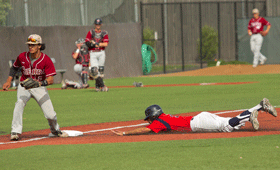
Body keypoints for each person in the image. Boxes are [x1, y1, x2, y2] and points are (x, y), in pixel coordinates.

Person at [2, 34, 68, 140]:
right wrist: (8, 81)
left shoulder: (46, 60)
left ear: (39, 46)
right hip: (24, 85)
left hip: (39, 87)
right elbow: (14, 68)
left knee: (50, 115)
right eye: (29, 45)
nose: (30, 47)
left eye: (33, 45)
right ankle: (15, 131)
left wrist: (39, 83)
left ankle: (55, 130)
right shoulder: (22, 56)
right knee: (19, 103)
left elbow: (51, 80)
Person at [112, 98, 277, 136]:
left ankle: (249, 115)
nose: (149, 121)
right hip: (199, 118)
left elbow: (144, 129)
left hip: (198, 123)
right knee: (228, 123)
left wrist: (126, 133)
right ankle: (258, 107)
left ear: (154, 115)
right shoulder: (165, 117)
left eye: (149, 118)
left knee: (226, 127)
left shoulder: (160, 122)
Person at [85, 18, 109, 92]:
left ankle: (97, 86)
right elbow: (87, 42)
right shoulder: (91, 32)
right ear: (94, 24)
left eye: (99, 24)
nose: (97, 25)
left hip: (101, 52)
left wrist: (97, 44)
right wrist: (92, 44)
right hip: (93, 53)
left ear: (101, 25)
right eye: (96, 24)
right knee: (94, 70)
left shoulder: (104, 33)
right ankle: (103, 86)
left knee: (101, 71)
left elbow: (106, 44)